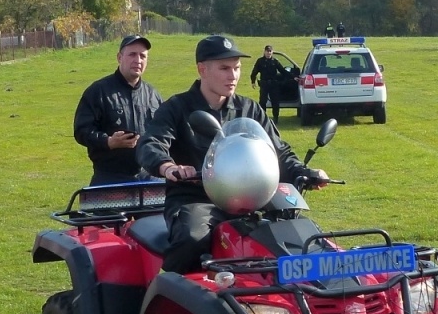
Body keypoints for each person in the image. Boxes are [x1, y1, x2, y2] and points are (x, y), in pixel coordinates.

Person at [137, 34, 325, 273]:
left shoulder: (249, 109)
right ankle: (171, 292)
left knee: (299, 233)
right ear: (202, 69)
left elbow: (278, 151)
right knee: (192, 239)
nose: (233, 75)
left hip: (252, 198)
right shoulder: (177, 108)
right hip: (197, 198)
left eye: (237, 68)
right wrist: (167, 166)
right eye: (225, 68)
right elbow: (150, 143)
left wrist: (302, 172)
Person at [72, 34, 162, 185]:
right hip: (109, 178)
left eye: (143, 56)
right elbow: (82, 131)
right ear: (119, 57)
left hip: (148, 178)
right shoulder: (98, 91)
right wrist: (108, 142)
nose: (138, 60)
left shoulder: (153, 95)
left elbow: (165, 133)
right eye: (132, 54)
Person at [251, 43, 288, 119]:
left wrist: (293, 77)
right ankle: (263, 118)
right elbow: (254, 72)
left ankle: (276, 118)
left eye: (270, 51)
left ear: (272, 52)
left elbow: (283, 71)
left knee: (275, 102)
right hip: (264, 84)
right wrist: (253, 81)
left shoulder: (275, 61)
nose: (268, 53)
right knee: (262, 102)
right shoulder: (260, 61)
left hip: (274, 84)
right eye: (267, 51)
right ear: (264, 52)